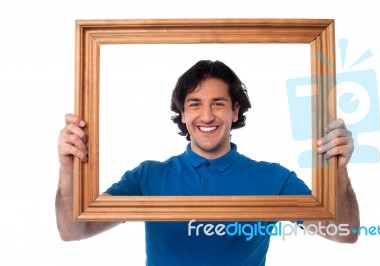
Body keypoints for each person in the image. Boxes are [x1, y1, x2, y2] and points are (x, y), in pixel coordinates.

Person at [56, 60, 359, 265]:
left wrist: (338, 169)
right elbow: (73, 231)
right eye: (195, 104)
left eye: (218, 103)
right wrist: (69, 171)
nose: (207, 116)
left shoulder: (274, 178)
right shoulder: (147, 176)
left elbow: (345, 232)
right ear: (183, 114)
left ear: (235, 111)